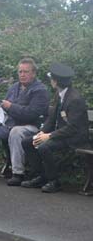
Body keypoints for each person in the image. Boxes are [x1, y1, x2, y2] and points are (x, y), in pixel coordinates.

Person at [21, 63, 90, 193]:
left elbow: (73, 128)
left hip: (75, 138)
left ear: (56, 81)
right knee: (27, 142)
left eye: (51, 78)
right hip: (63, 134)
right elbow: (52, 119)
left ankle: (54, 181)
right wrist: (42, 132)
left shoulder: (75, 99)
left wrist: (49, 136)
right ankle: (41, 176)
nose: (51, 81)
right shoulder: (60, 94)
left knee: (44, 147)